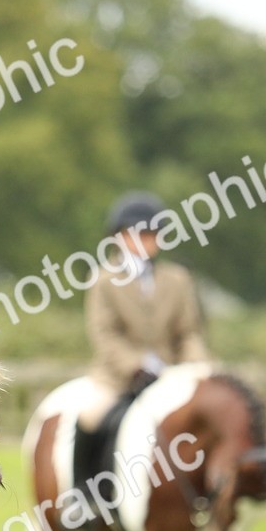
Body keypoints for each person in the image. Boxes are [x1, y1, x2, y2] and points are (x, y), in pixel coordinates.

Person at [76, 191, 210, 487]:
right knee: (89, 417)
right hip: (119, 378)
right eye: (135, 234)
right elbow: (105, 336)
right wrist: (139, 364)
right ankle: (82, 495)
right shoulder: (103, 281)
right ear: (119, 238)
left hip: (171, 375)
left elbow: (189, 332)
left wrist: (197, 365)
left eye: (151, 234)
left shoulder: (178, 279)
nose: (144, 241)